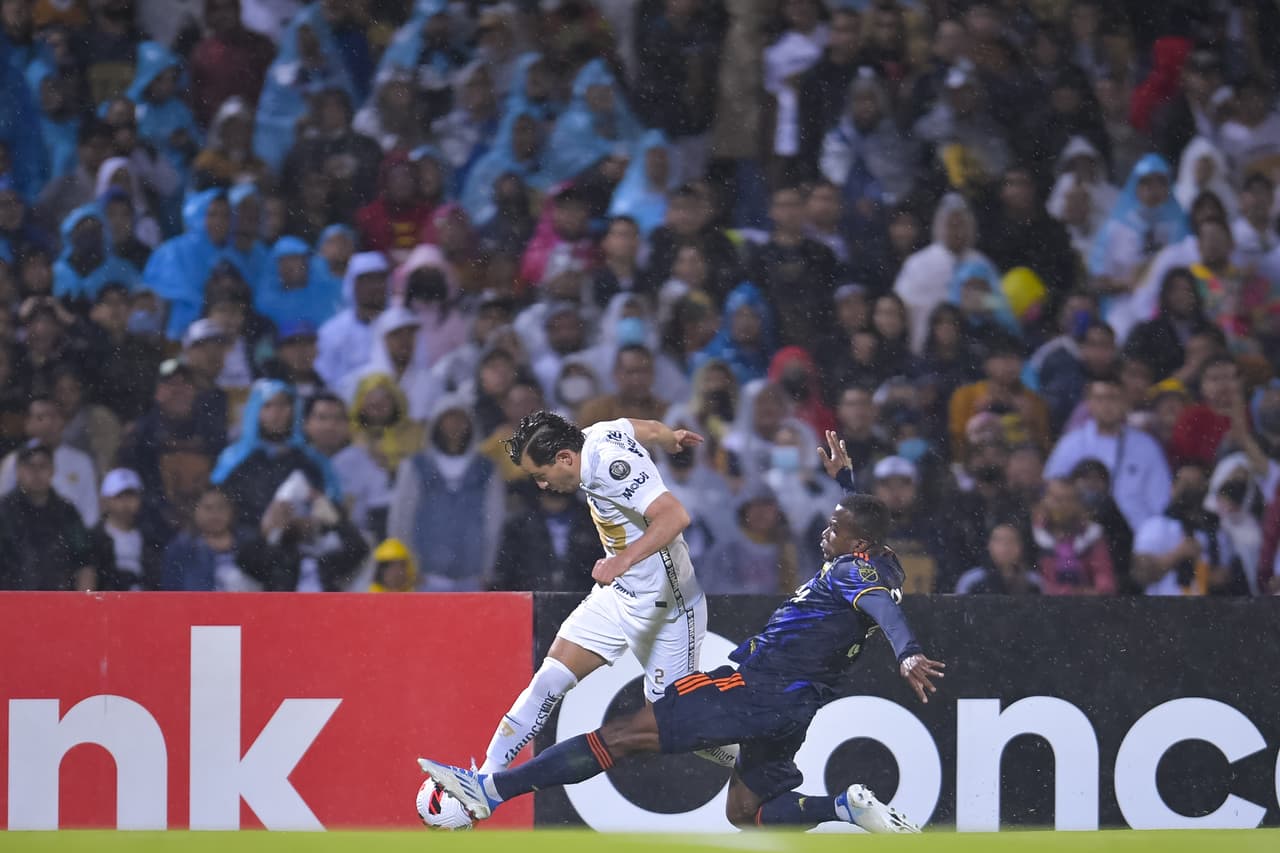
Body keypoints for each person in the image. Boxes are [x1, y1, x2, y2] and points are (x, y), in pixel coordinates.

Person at [418, 490, 940, 835]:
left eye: (835, 526)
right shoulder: (882, 561)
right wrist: (846, 479)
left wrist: (908, 650)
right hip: (793, 710)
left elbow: (877, 606)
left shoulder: (855, 574)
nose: (826, 531)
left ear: (860, 544)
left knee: (620, 737)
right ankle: (842, 806)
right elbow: (875, 570)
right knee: (746, 812)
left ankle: (490, 791)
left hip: (752, 690)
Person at [421, 410, 736, 828]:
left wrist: (621, 559)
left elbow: (675, 516)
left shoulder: (610, 466)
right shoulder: (598, 434)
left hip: (668, 607)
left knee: (672, 723)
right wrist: (669, 437)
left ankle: (750, 749)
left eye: (542, 474)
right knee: (549, 680)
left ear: (567, 458)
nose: (541, 485)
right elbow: (642, 428)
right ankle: (481, 785)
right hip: (616, 597)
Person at [1045, 378, 1172, 532]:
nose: (1106, 405)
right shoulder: (1070, 444)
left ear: (1125, 402)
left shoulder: (1146, 446)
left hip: (1138, 536)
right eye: (1100, 399)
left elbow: (1161, 502)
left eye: (1113, 398)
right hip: (1082, 535)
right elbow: (1052, 491)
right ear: (1089, 404)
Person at [0, 443, 96, 590]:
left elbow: (85, 562)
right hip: (12, 600)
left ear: (52, 470)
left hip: (59, 600)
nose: (36, 472)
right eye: (30, 466)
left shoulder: (67, 512)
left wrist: (83, 605)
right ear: (18, 471)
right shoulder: (4, 512)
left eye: (42, 466)